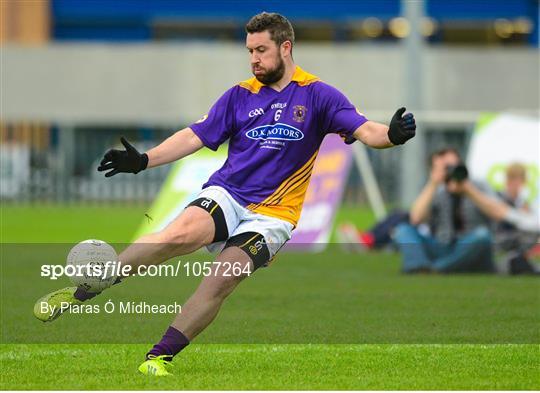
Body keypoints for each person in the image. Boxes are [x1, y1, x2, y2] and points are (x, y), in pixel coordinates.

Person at [33, 12, 416, 376]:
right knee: (176, 236)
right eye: (249, 51)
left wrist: (393, 135)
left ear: (286, 48)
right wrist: (144, 160)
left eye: (261, 50)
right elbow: (193, 136)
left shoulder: (319, 95)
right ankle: (82, 291)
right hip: (228, 193)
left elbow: (367, 131)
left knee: (221, 279)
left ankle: (158, 357)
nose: (253, 59)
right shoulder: (238, 95)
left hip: (275, 215)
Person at [393, 147, 495, 273]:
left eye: (453, 166)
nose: (451, 171)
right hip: (442, 244)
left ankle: (436, 269)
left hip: (470, 245)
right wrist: (433, 183)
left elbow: (497, 213)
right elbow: (415, 218)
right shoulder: (436, 189)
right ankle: (419, 267)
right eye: (445, 168)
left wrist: (468, 190)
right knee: (402, 230)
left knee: (482, 235)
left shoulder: (478, 184)